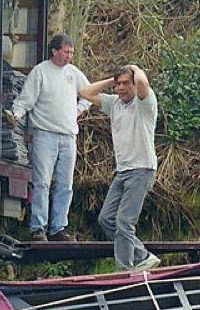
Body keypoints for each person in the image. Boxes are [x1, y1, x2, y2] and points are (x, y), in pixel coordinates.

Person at [9, 34, 91, 242]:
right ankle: (38, 227)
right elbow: (26, 99)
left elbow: (88, 94)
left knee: (65, 185)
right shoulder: (41, 72)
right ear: (54, 51)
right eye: (66, 52)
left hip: (68, 136)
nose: (69, 56)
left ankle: (58, 228)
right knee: (42, 183)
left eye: (71, 53)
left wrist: (78, 110)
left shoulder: (74, 73)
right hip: (44, 135)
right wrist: (16, 114)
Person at [79, 65, 160, 271]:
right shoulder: (114, 103)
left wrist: (136, 68)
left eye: (126, 83)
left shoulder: (144, 103)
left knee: (124, 222)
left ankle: (124, 269)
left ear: (134, 85)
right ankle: (142, 255)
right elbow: (85, 92)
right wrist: (111, 81)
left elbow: (143, 83)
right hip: (122, 171)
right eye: (119, 84)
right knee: (106, 219)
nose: (122, 88)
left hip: (142, 169)